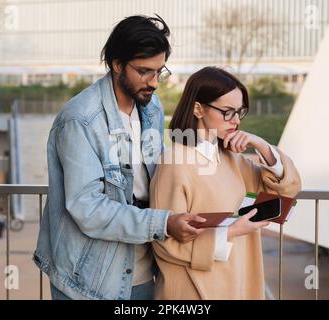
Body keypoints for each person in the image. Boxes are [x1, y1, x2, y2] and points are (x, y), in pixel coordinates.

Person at [33, 15, 206, 300]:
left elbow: (156, 171)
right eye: (144, 71)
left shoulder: (150, 107)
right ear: (116, 64)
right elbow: (88, 208)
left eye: (159, 72)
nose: (154, 83)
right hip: (88, 278)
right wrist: (163, 223)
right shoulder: (81, 120)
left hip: (142, 266)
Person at [149, 67, 302, 299]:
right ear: (198, 108)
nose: (237, 120)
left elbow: (288, 188)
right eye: (227, 112)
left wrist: (260, 144)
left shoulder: (233, 160)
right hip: (194, 291)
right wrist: (230, 232)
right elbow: (163, 241)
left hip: (238, 280)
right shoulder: (174, 162)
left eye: (240, 112)